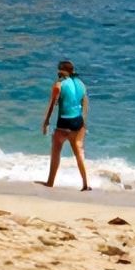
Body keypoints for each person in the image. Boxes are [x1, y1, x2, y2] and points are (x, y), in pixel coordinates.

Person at [38, 59, 91, 191]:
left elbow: (52, 104)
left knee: (56, 151)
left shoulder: (58, 85)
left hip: (64, 122)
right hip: (78, 122)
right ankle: (85, 184)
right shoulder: (81, 84)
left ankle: (50, 182)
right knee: (78, 152)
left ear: (61, 71)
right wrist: (84, 123)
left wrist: (46, 122)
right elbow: (85, 104)